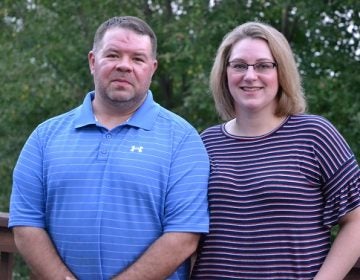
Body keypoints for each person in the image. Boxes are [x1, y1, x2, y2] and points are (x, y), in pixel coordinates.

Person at [9, 16, 210, 280]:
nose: (124, 66)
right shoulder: (45, 136)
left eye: (137, 59)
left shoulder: (182, 139)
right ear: (93, 61)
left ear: (152, 68)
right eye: (113, 54)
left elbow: (184, 235)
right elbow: (26, 223)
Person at [191, 21, 360, 280]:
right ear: (224, 73)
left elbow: (356, 221)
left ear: (281, 72)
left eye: (263, 65)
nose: (250, 76)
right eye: (238, 65)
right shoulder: (207, 142)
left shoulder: (315, 135)